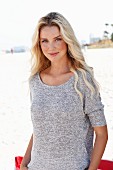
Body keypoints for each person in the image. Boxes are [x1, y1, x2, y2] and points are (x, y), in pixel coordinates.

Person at [20, 12, 108, 170]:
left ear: (68, 40)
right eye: (44, 41)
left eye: (57, 39)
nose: (51, 47)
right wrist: (24, 163)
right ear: (38, 44)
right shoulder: (35, 81)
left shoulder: (83, 81)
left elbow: (101, 134)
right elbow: (40, 130)